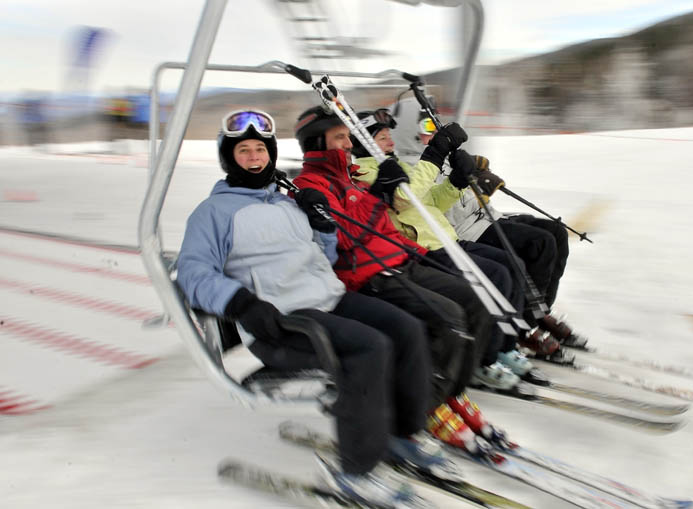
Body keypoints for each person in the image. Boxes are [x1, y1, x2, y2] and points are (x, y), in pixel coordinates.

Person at [176, 109, 453, 508]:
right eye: (244, 151)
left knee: (406, 328)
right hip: (281, 321)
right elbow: (193, 272)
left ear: (270, 154)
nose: (254, 157)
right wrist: (242, 303)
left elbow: (321, 256)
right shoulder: (213, 213)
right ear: (228, 158)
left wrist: (321, 225)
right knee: (369, 348)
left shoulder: (287, 203)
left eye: (260, 149)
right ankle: (356, 473)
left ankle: (402, 432)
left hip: (326, 300)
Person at [292, 105, 512, 453]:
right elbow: (344, 239)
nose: (348, 144)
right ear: (317, 144)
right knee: (447, 318)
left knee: (476, 300)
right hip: (370, 274)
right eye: (340, 138)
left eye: (348, 137)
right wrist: (380, 192)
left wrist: (401, 230)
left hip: (400, 258)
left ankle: (452, 391)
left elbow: (382, 224)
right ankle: (428, 405)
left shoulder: (349, 176)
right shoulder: (310, 187)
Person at [350, 107, 567, 365]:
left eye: (388, 133)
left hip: (446, 239)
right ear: (363, 143)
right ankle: (493, 353)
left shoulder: (394, 164)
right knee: (499, 273)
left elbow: (431, 203)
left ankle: (510, 339)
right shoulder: (365, 172)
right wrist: (435, 153)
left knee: (511, 264)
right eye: (381, 136)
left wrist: (456, 182)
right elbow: (404, 198)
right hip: (423, 249)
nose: (390, 139)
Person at [389, 98, 585, 349]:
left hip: (484, 216)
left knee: (556, 232)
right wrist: (479, 190)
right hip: (468, 228)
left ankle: (539, 310)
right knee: (540, 245)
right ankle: (525, 320)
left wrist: (476, 179)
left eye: (433, 125)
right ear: (408, 130)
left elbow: (455, 195)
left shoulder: (437, 156)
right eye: (426, 125)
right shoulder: (415, 166)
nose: (433, 131)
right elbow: (438, 212)